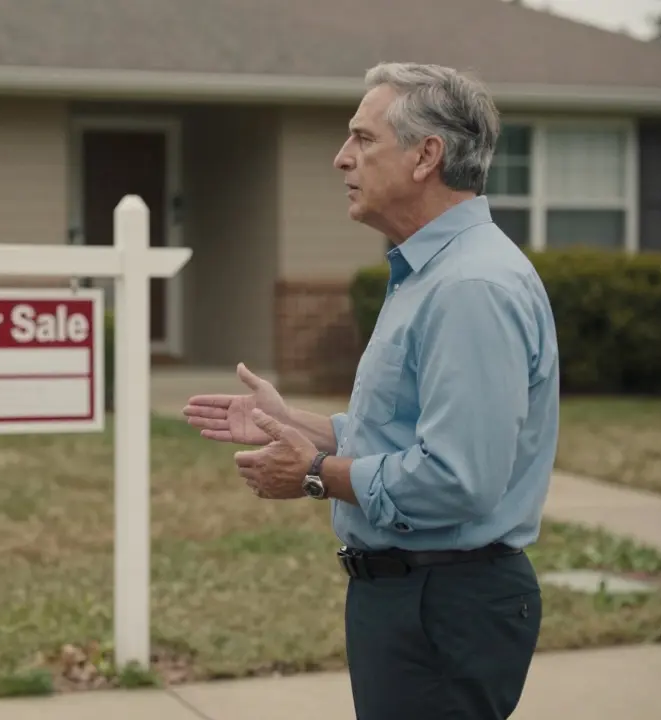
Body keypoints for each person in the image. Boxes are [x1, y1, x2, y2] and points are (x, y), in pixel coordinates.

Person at [183, 62, 559, 720]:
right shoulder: (428, 271)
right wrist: (294, 422)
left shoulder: (470, 287)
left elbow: (456, 477)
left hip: (444, 602)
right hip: (415, 595)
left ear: (426, 156)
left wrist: (313, 474)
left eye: (362, 139)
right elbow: (412, 432)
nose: (341, 158)